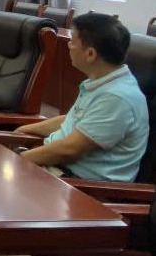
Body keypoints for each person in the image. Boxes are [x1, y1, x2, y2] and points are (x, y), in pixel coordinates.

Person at [16, 13, 148, 181]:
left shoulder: (116, 97)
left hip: (80, 185)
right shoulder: (102, 82)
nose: (68, 45)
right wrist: (25, 129)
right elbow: (73, 119)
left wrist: (19, 160)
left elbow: (69, 149)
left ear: (90, 54)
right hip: (58, 170)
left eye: (72, 41)